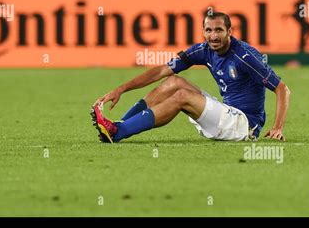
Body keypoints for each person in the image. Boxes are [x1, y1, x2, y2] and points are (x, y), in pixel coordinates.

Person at [91, 12, 291, 143]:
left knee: (182, 96)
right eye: (209, 30)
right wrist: (121, 89)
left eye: (219, 30)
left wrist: (277, 127)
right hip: (226, 115)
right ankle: (117, 126)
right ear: (203, 31)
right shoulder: (204, 50)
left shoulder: (245, 57)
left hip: (245, 125)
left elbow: (282, 89)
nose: (213, 36)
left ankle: (118, 131)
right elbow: (161, 71)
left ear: (230, 32)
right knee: (173, 82)